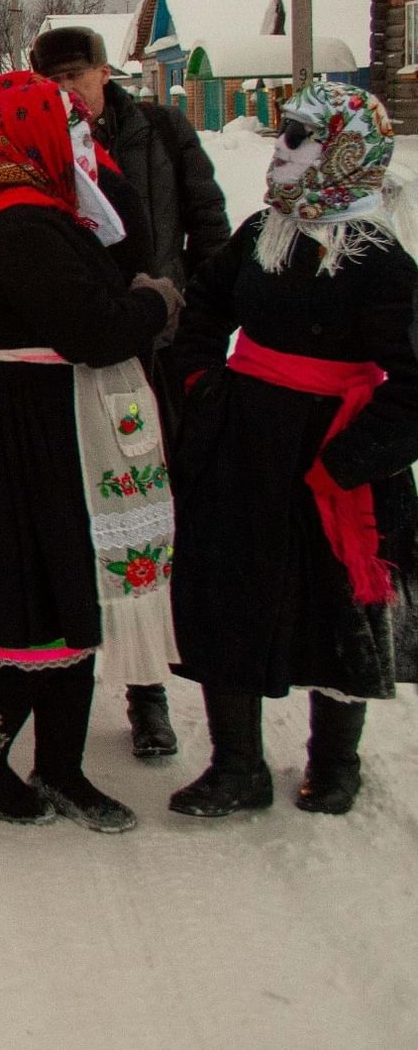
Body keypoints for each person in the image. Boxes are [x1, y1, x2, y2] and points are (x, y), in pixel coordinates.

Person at [0, 72, 181, 835]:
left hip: (24, 425)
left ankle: (59, 766)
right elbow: (92, 328)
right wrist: (153, 301)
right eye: (67, 130)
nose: (81, 146)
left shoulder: (11, 212)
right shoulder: (24, 225)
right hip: (34, 435)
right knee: (44, 607)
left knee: (62, 603)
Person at [168, 82, 418, 819]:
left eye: (302, 137)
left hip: (333, 469)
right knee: (230, 596)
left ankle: (336, 763)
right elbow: (207, 301)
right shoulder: (263, 231)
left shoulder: (379, 262)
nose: (281, 151)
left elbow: (413, 383)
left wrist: (347, 461)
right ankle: (236, 765)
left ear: (344, 151)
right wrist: (202, 380)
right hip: (243, 448)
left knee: (334, 604)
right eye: (284, 133)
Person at [32, 24, 228, 758]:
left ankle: (149, 691)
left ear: (105, 72)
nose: (69, 92)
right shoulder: (42, 142)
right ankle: (73, 665)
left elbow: (210, 233)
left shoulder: (162, 131)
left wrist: (200, 336)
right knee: (90, 521)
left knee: (155, 519)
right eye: (55, 82)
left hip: (160, 351)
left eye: (78, 77)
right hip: (81, 359)